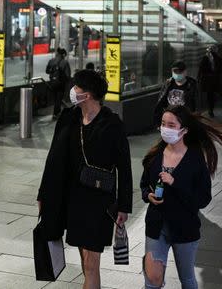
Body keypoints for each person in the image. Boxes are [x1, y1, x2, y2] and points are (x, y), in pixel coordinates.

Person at [37, 69, 133, 289]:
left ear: (87, 94)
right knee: (84, 259)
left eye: (76, 87)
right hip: (72, 198)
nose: (72, 91)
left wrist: (124, 206)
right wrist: (44, 193)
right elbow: (53, 158)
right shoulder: (69, 118)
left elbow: (124, 168)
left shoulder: (112, 125)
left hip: (98, 201)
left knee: (91, 264)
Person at [140, 105, 222, 289]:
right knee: (152, 278)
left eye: (171, 125)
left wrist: (175, 183)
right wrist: (147, 195)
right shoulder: (154, 155)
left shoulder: (195, 160)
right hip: (156, 225)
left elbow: (203, 199)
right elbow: (144, 184)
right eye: (163, 124)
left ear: (184, 130)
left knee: (187, 278)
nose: (165, 128)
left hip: (185, 227)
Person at [197, 45, 222, 118]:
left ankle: (209, 110)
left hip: (208, 81)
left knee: (209, 96)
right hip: (214, 81)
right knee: (211, 96)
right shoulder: (218, 58)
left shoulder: (206, 58)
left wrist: (198, 78)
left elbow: (201, 69)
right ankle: (210, 110)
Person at [46, 48, 72, 119]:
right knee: (59, 98)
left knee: (55, 98)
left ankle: (57, 112)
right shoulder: (65, 62)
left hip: (52, 82)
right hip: (61, 83)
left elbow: (47, 71)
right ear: (63, 55)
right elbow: (68, 75)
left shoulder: (51, 61)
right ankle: (56, 113)